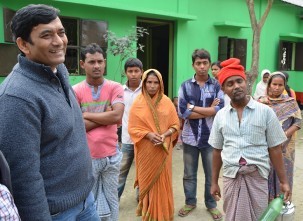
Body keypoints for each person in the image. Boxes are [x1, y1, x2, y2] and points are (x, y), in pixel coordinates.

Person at [0, 4, 99, 220]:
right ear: (24, 44)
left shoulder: (59, 70)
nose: (59, 41)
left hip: (86, 201)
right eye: (47, 35)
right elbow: (22, 177)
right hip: (57, 213)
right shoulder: (17, 97)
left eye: (61, 32)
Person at [209, 58, 291, 221]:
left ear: (245, 82)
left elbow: (275, 148)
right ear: (224, 89)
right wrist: (213, 182)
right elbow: (217, 151)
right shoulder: (220, 116)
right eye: (230, 84)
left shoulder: (265, 112)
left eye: (239, 81)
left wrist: (283, 181)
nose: (236, 86)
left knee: (259, 216)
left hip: (257, 178)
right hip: (231, 177)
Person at [73, 43, 124, 220]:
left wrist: (86, 114)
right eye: (92, 61)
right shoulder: (75, 91)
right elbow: (77, 125)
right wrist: (107, 115)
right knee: (90, 201)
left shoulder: (115, 87)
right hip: (88, 157)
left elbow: (117, 116)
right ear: (82, 64)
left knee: (112, 199)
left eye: (100, 61)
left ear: (105, 63)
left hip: (112, 155)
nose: (97, 65)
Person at [177, 49, 224, 220]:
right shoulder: (185, 85)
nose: (202, 67)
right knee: (189, 173)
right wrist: (209, 110)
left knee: (212, 174)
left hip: (211, 138)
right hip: (190, 137)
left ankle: (211, 204)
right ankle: (190, 202)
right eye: (198, 63)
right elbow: (183, 112)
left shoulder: (217, 85)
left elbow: (221, 110)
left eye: (205, 63)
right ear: (193, 65)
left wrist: (194, 108)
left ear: (209, 64)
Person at [128, 69, 179, 221]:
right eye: (149, 82)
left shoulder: (167, 102)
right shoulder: (137, 103)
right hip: (145, 151)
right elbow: (132, 128)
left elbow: (175, 125)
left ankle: (162, 215)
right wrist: (149, 135)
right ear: (144, 83)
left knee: (162, 183)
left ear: (160, 84)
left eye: (156, 82)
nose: (152, 86)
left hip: (163, 151)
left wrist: (165, 135)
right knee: (147, 183)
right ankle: (149, 215)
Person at [258, 72, 302, 201]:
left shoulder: (290, 102)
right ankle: (264, 202)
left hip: (285, 147)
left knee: (283, 174)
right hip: (264, 147)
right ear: (269, 85)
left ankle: (281, 202)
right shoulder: (260, 102)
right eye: (274, 84)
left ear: (284, 86)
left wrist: (283, 136)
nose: (277, 88)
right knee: (265, 173)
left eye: (280, 85)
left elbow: (298, 122)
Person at [118, 58, 143, 199]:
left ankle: (141, 198)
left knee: (143, 171)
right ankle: (114, 199)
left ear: (142, 72)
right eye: (130, 71)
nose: (133, 74)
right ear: (125, 73)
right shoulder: (120, 91)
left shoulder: (146, 90)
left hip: (144, 139)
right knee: (121, 171)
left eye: (136, 71)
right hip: (127, 138)